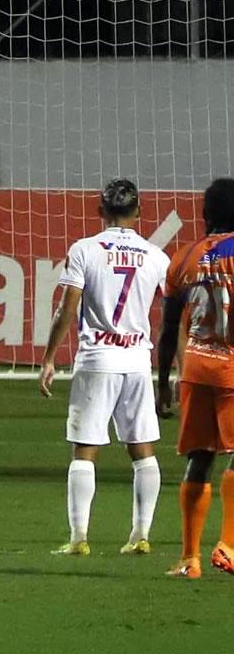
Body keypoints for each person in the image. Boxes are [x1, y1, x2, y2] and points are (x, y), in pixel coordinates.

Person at [38, 178, 169, 556]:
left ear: (101, 210)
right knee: (143, 450)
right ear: (140, 212)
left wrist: (49, 359)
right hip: (137, 361)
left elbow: (68, 307)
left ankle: (79, 538)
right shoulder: (156, 256)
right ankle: (140, 535)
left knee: (85, 451)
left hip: (97, 360)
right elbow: (172, 312)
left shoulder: (84, 250)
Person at [158, 177, 234, 579]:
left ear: (205, 216)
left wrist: (161, 385)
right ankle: (229, 544)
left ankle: (190, 559)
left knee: (199, 458)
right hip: (231, 366)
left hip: (195, 370)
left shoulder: (182, 258)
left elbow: (169, 329)